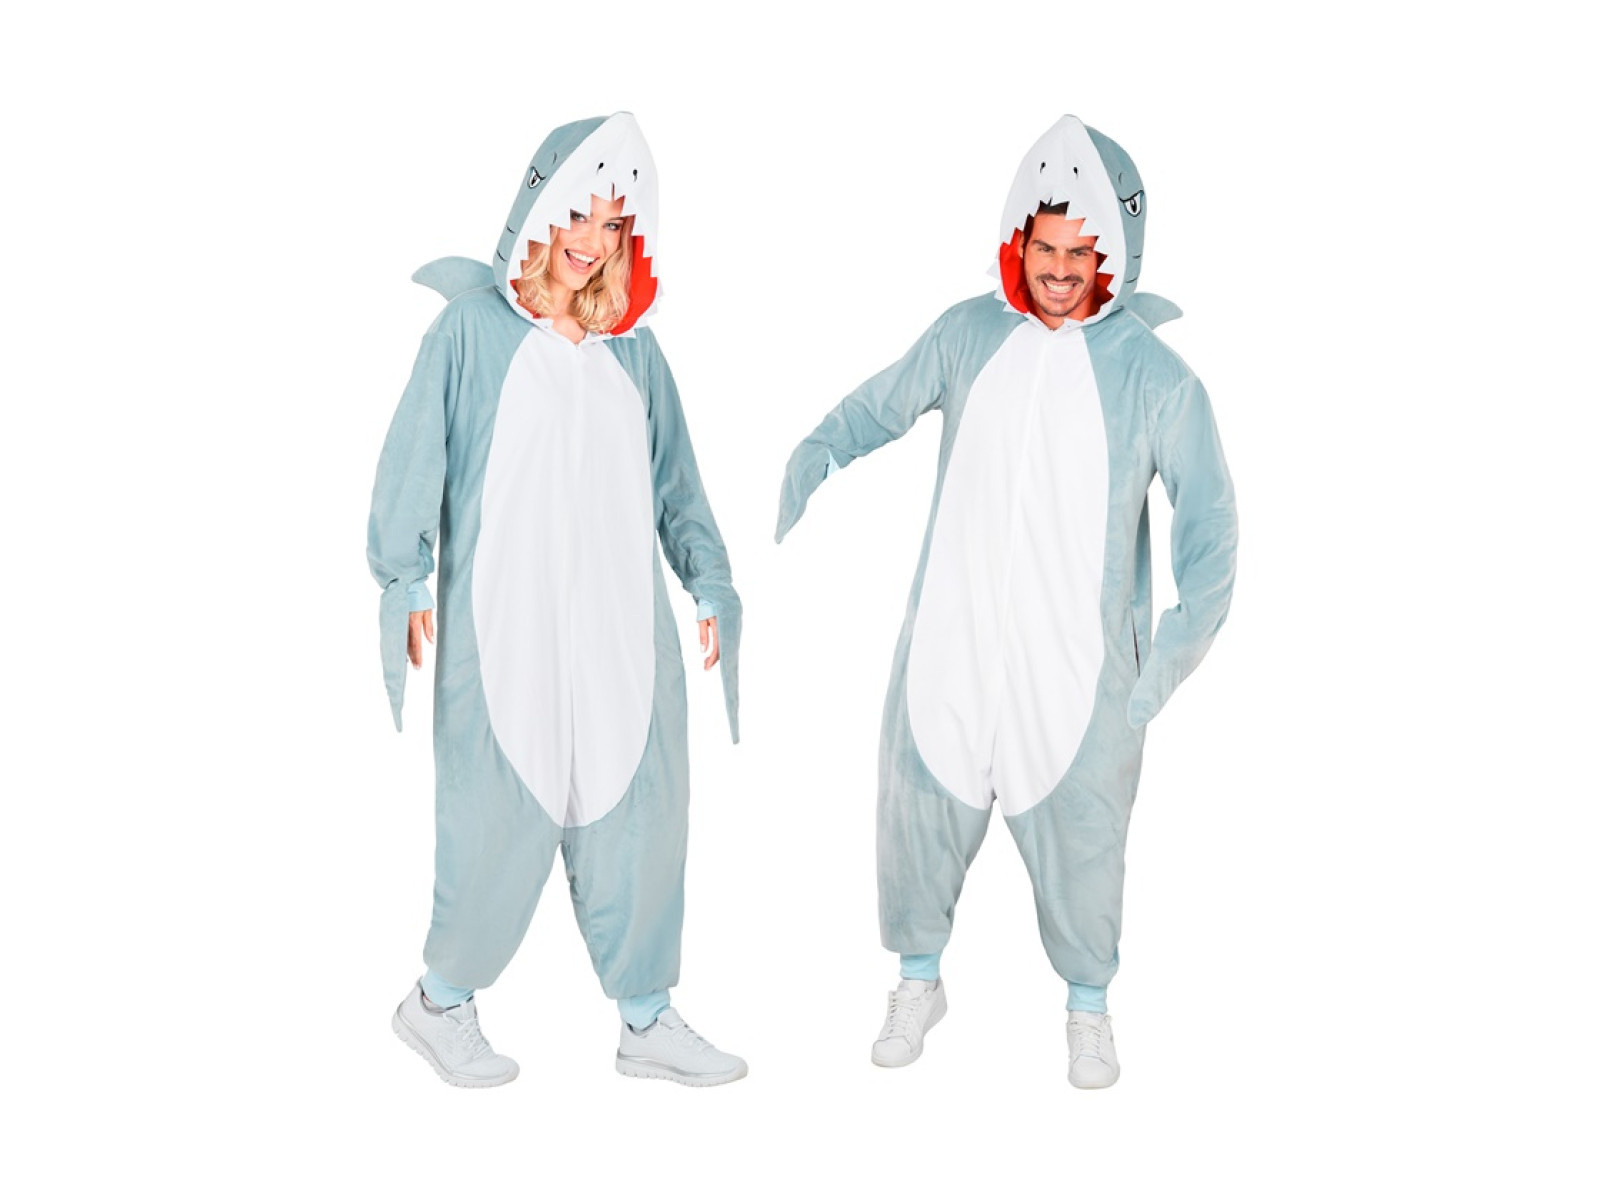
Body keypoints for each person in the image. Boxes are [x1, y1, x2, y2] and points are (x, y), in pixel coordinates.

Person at [776, 115, 1237, 1088]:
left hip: (1076, 668)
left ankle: (1087, 1008)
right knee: (915, 817)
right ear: (1016, 242)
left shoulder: (1156, 378)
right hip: (951, 641)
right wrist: (813, 456)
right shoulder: (968, 334)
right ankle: (918, 982)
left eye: (1079, 253)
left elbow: (1210, 532)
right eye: (1045, 248)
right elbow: (880, 404)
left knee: (1084, 843)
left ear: (1113, 257)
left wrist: (1165, 661)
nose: (1059, 271)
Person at [369, 112, 746, 1088]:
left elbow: (678, 487)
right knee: (495, 816)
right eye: (581, 214)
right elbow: (414, 456)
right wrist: (405, 575)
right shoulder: (471, 332)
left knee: (643, 815)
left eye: (614, 224)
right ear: (539, 211)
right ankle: (438, 1003)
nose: (593, 239)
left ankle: (646, 1019)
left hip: (621, 633)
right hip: (508, 628)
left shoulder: (635, 356)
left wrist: (708, 579)